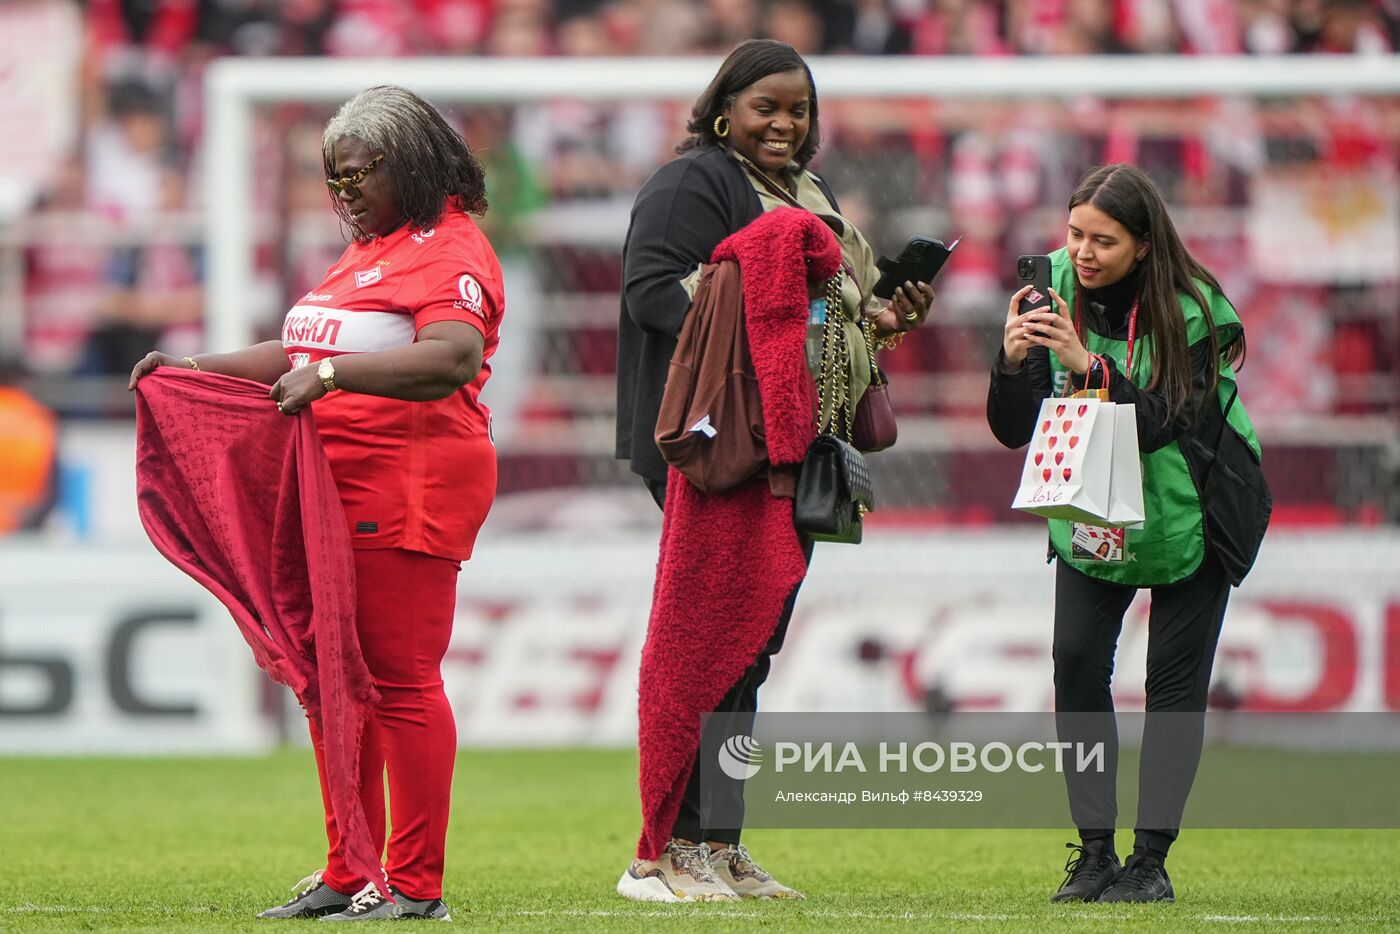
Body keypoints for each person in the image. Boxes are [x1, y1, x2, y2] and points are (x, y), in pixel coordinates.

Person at [130, 85, 504, 921]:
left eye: (356, 176)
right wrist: (191, 369)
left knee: (397, 681)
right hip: (330, 488)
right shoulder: (367, 252)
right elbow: (295, 349)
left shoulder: (451, 250)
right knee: (330, 682)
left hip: (408, 482)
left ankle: (413, 884)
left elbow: (450, 357)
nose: (343, 195)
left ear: (406, 165)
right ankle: (351, 869)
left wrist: (333, 376)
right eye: (333, 179)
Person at [615, 38, 935, 902]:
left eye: (799, 109)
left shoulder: (813, 193)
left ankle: (720, 842)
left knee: (753, 648)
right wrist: (770, 308)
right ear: (724, 110)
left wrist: (879, 315)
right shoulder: (694, 183)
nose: (785, 123)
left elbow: (830, 319)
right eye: (766, 107)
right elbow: (651, 291)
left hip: (799, 443)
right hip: (718, 445)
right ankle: (669, 848)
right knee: (713, 643)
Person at [987, 163, 1269, 904]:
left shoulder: (1195, 309)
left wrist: (1088, 364)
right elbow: (1013, 429)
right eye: (1075, 233)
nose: (1081, 252)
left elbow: (1163, 423)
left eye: (1103, 241)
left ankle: (1150, 862)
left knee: (1173, 689)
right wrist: (1013, 359)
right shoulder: (1047, 287)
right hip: (1093, 510)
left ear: (1144, 246)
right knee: (1076, 666)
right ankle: (1093, 855)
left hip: (1195, 509)